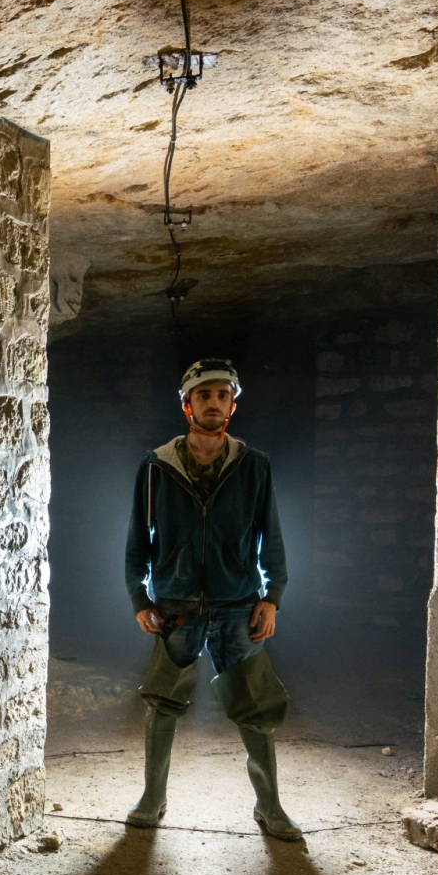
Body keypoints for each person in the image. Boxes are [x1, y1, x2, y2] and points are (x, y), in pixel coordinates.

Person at [122, 357, 300, 840]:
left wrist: (273, 595)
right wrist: (140, 596)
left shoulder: (253, 465)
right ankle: (152, 799)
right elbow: (139, 539)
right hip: (176, 606)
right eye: (205, 396)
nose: (215, 403)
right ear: (187, 406)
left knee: (255, 705)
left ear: (232, 406)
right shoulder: (157, 466)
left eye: (223, 396)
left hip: (238, 602)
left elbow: (272, 536)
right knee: (162, 703)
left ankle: (270, 807)